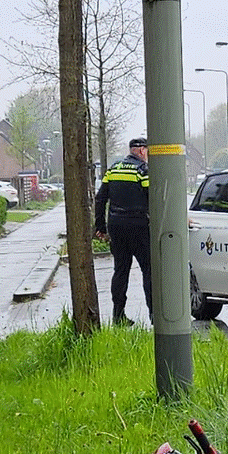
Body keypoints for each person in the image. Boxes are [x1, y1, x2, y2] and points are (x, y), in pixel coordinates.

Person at [95, 137, 152, 325]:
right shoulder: (142, 171)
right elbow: (151, 198)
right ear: (143, 151)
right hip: (138, 226)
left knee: (120, 270)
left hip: (116, 225)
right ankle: (154, 315)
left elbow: (100, 198)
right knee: (148, 270)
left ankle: (118, 315)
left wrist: (101, 227)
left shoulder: (113, 169)